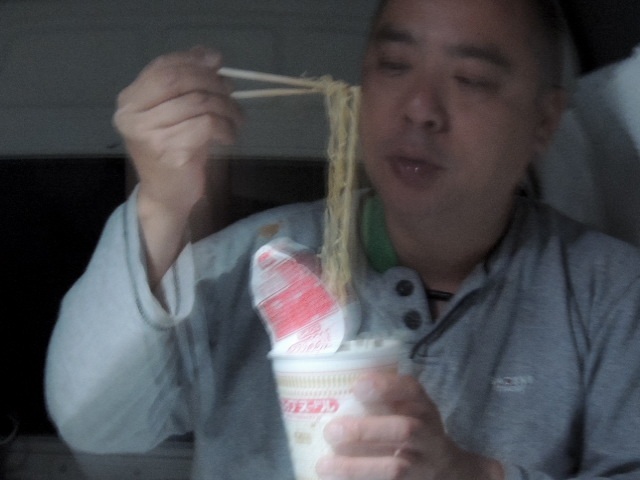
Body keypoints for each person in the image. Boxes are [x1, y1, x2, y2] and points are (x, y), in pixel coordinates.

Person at [45, 0, 640, 479]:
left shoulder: (611, 293)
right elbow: (97, 425)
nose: (420, 108)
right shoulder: (256, 261)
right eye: (395, 65)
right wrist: (161, 203)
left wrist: (473, 475)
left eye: (471, 79)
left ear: (544, 121)